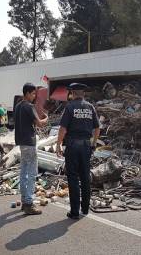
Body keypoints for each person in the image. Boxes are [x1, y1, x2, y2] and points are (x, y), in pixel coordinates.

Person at [56, 83, 100, 220]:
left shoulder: (69, 107)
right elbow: (97, 128)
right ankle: (85, 209)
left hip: (73, 146)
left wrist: (58, 144)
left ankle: (75, 212)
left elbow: (63, 128)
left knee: (73, 178)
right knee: (85, 177)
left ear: (73, 93)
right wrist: (93, 144)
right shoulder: (90, 107)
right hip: (86, 146)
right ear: (84, 94)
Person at [14, 83, 48, 215]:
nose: (34, 97)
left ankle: (24, 200)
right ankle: (28, 202)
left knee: (23, 172)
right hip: (29, 142)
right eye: (33, 94)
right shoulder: (29, 106)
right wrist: (46, 119)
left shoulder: (18, 106)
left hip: (22, 143)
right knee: (32, 173)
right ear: (27, 93)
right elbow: (39, 123)